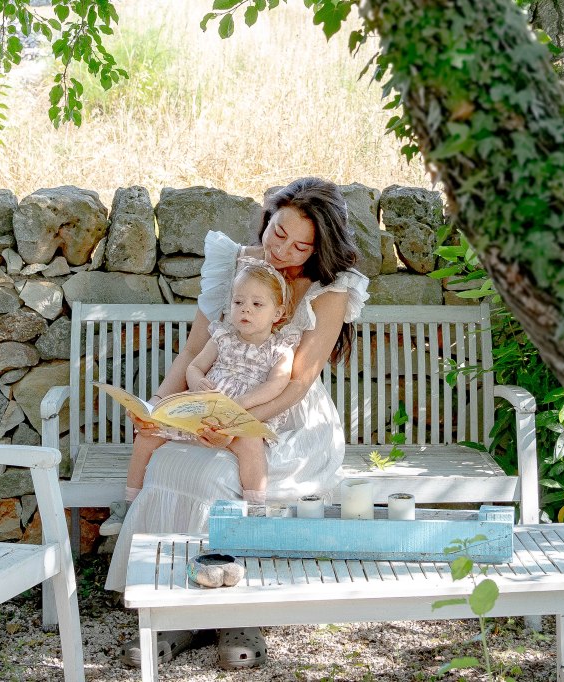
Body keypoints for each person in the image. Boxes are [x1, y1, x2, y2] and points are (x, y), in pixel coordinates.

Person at [104, 177, 370, 670]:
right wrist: (161, 402)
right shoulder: (235, 265)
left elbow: (297, 384)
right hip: (216, 404)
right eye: (278, 232)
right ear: (268, 217)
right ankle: (174, 605)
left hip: (285, 420)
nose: (284, 249)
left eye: (301, 245)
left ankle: (237, 611)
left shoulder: (331, 289)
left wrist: (237, 423)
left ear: (320, 248)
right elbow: (192, 351)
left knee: (221, 476)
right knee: (164, 459)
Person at [100, 258, 302, 537]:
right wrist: (198, 383)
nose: (245, 309)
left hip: (239, 413)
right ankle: (128, 505)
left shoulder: (279, 348)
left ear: (277, 312)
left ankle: (255, 510)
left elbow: (276, 385)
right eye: (238, 302)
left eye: (257, 304)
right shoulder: (223, 337)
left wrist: (240, 405)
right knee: (147, 433)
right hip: (203, 407)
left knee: (251, 444)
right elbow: (194, 365)